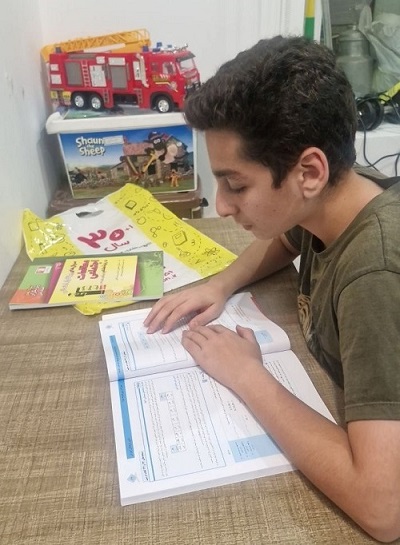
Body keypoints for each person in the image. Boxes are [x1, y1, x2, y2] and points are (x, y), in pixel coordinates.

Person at [144, 36, 400, 542]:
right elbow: (286, 239)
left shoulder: (375, 276)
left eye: (236, 185)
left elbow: (383, 509)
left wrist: (247, 375)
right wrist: (221, 284)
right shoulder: (339, 195)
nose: (221, 206)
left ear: (309, 172)